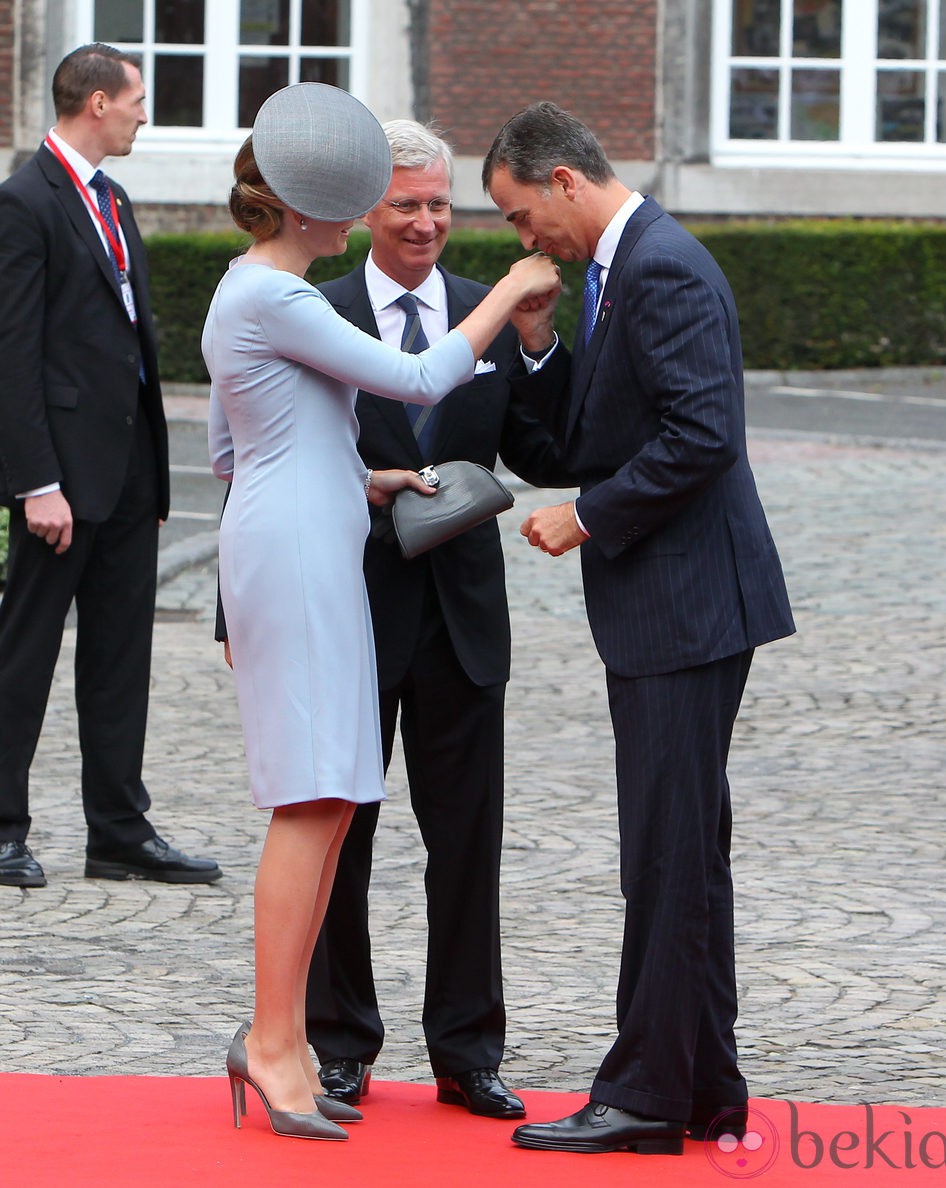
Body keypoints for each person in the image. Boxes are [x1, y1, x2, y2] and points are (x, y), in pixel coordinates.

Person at [203, 83, 559, 1141]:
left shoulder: (253, 291)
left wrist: (357, 484)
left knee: (324, 795)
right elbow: (413, 380)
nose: (405, 216)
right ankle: (275, 1041)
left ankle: (284, 1041)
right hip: (305, 559)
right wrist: (504, 295)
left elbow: (241, 450)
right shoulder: (280, 296)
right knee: (312, 802)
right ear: (327, 211)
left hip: (310, 536)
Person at [481, 102, 796, 1156]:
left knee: (663, 857)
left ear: (564, 180)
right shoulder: (621, 267)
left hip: (687, 604)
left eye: (522, 217)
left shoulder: (659, 264)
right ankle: (704, 1085)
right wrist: (535, 340)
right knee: (685, 855)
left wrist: (590, 515)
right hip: (676, 603)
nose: (525, 241)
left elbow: (703, 432)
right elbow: (589, 432)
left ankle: (646, 1096)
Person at [303, 120, 571, 1120]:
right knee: (341, 837)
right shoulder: (315, 313)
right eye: (405, 205)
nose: (425, 223)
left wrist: (538, 341)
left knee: (467, 846)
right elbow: (279, 461)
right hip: (351, 612)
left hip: (462, 620)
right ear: (368, 210)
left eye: (439, 206)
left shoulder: (490, 315)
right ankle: (338, 1044)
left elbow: (549, 450)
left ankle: (467, 1052)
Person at [0, 43, 221, 889]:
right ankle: (2, 828)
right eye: (135, 99)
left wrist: (153, 476)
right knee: (24, 652)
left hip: (128, 468)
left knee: (122, 654)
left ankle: (118, 831)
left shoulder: (113, 196)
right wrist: (35, 482)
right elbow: (13, 353)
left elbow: (127, 341)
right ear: (95, 102)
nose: (143, 112)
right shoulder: (24, 203)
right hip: (60, 475)